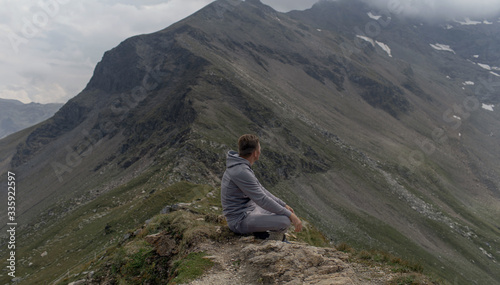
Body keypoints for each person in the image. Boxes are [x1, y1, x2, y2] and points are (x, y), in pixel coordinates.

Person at [221, 134, 302, 241]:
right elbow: (262, 199)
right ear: (255, 153)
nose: (260, 151)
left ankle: (265, 235)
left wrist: (283, 205)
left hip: (249, 211)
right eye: (259, 149)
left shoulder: (241, 165)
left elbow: (261, 190)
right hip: (239, 220)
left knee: (282, 212)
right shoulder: (241, 171)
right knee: (285, 220)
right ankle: (273, 240)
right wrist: (291, 216)